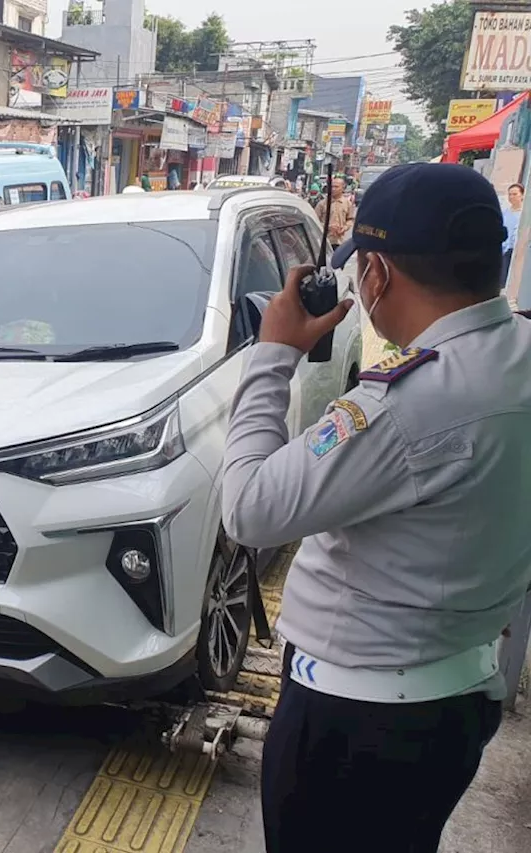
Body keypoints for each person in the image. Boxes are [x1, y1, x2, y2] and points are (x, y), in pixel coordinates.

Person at [221, 163, 531, 853]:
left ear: (379, 274)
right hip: (455, 698)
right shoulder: (519, 353)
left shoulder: (404, 407)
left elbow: (247, 507)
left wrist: (273, 354)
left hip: (355, 724)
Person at [313, 175, 356, 245]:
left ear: (343, 188)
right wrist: (328, 227)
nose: (333, 189)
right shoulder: (322, 204)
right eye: (332, 186)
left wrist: (345, 228)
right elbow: (314, 221)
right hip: (325, 242)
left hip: (340, 241)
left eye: (336, 187)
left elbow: (350, 220)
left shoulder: (348, 204)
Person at [502, 182, 523, 287]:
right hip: (504, 250)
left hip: (517, 251)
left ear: (522, 195)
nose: (511, 197)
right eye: (510, 194)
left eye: (515, 194)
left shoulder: (524, 214)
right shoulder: (505, 213)